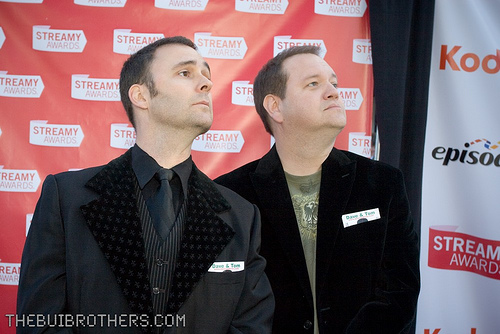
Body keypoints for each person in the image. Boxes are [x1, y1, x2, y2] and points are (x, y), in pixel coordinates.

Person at [17, 36, 274, 333]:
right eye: (185, 73)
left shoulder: (241, 215)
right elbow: (40, 323)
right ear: (141, 96)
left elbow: (251, 326)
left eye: (207, 75)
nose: (206, 84)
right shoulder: (66, 198)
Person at [215, 45, 420, 333]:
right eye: (313, 84)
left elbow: (401, 288)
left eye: (333, 83)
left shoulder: (383, 184)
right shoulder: (228, 194)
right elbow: (222, 300)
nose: (334, 91)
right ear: (275, 107)